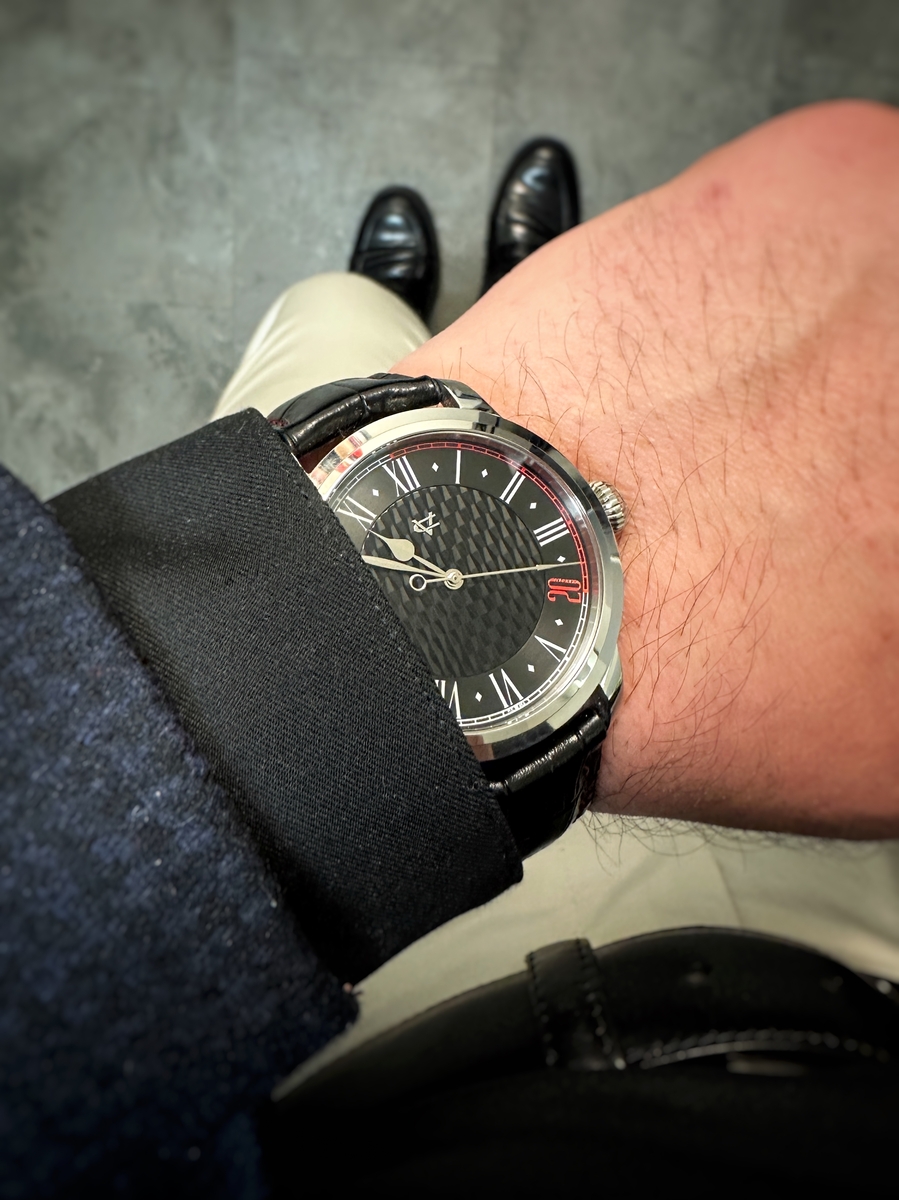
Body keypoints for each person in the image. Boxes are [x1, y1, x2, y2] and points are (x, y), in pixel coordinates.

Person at [2, 101, 898, 1197]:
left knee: (327, 313)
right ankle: (494, 310)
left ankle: (415, 322)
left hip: (371, 1047)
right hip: (826, 1001)